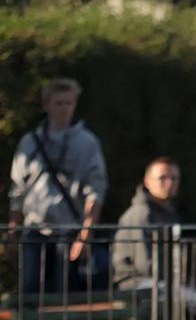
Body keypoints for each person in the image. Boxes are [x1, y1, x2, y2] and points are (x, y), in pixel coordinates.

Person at [8, 77, 108, 293]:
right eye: (58, 103)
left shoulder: (87, 142)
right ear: (46, 105)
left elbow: (96, 190)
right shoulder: (30, 142)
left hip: (69, 230)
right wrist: (13, 229)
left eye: (69, 103)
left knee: (64, 291)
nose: (64, 109)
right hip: (35, 230)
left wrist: (85, 235)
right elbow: (18, 188)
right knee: (30, 290)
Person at [112, 157, 181, 290]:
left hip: (162, 281)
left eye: (174, 178)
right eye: (162, 178)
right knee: (195, 301)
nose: (169, 183)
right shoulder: (141, 214)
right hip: (136, 282)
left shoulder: (168, 212)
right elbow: (144, 265)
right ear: (147, 182)